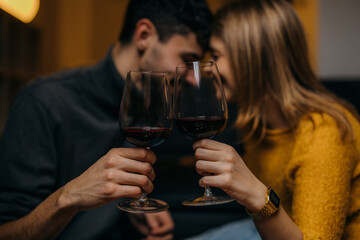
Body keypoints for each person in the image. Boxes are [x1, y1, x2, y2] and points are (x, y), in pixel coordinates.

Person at [0, 0, 212, 239]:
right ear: (144, 35)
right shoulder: (43, 101)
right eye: (186, 57)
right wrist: (67, 197)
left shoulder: (154, 106)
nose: (194, 81)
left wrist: (130, 212)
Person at [187, 0, 360, 239]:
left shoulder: (324, 133)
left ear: (252, 58)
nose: (208, 68)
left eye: (216, 55)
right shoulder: (257, 124)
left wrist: (257, 196)